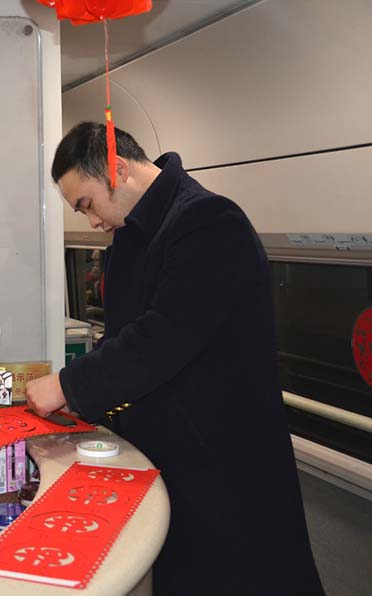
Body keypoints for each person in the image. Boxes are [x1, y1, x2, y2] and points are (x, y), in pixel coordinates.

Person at [26, 122, 324, 595]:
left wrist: (68, 384)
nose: (92, 222)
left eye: (87, 204)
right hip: (173, 447)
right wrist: (81, 398)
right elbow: (122, 335)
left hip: (224, 454)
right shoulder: (133, 234)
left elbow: (162, 336)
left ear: (116, 170)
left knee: (246, 576)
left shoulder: (208, 221)